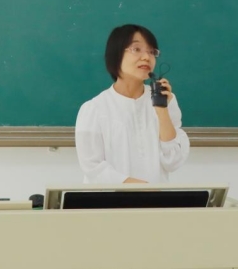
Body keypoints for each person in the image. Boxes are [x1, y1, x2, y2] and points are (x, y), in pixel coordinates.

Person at [75, 24, 190, 183]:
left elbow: (173, 161)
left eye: (152, 52)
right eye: (136, 49)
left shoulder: (167, 101)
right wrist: (140, 188)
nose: (146, 57)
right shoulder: (94, 108)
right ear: (116, 55)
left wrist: (162, 110)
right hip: (110, 198)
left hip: (157, 197)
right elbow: (92, 167)